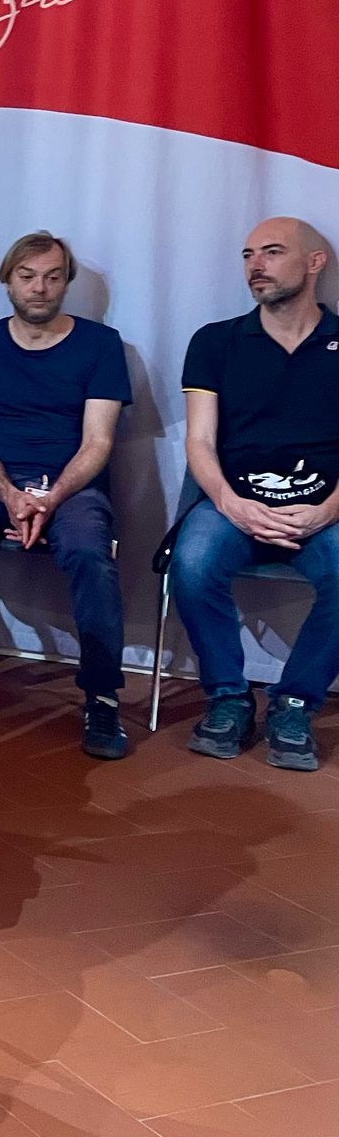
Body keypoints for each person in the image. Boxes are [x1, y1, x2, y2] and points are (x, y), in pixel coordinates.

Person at [0, 232, 131, 757]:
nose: (39, 288)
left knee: (89, 548)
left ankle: (102, 697)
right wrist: (9, 493)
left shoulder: (101, 344)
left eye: (52, 277)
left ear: (66, 282)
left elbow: (98, 442)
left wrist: (50, 497)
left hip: (71, 485)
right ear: (8, 281)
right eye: (27, 276)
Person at [175, 216, 339, 774]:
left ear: (315, 263)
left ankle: (294, 704)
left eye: (271, 252)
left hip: (323, 508)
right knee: (192, 564)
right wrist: (231, 504)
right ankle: (228, 697)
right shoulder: (215, 341)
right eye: (248, 255)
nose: (255, 266)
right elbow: (199, 442)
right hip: (233, 503)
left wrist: (326, 511)